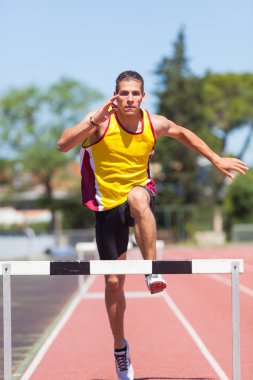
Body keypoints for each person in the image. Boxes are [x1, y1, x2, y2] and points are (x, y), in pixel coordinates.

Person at [57, 70, 248, 380]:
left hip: (138, 196)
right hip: (106, 206)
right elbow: (63, 145)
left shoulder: (153, 123)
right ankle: (121, 350)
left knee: (137, 197)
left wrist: (216, 159)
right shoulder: (100, 121)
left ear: (143, 97)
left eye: (135, 93)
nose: (129, 98)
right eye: (124, 93)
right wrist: (92, 120)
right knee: (113, 284)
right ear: (115, 96)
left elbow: (182, 133)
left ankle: (151, 270)